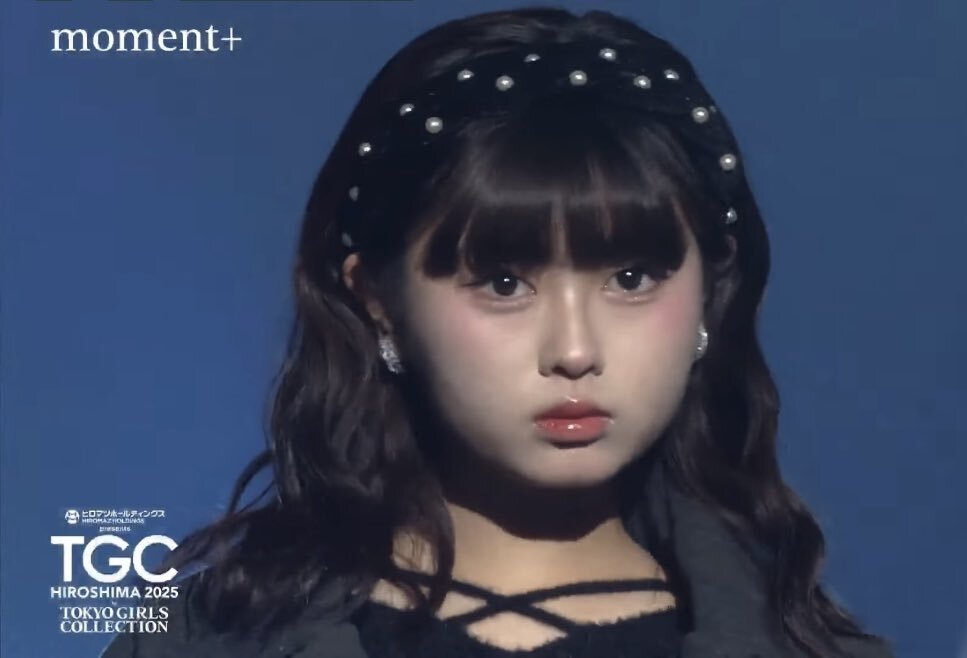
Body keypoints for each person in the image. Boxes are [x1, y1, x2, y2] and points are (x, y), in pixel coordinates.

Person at [101, 8, 894, 658]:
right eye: (505, 283)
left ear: (710, 292)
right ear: (376, 300)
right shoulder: (201, 642)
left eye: (631, 278)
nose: (575, 351)